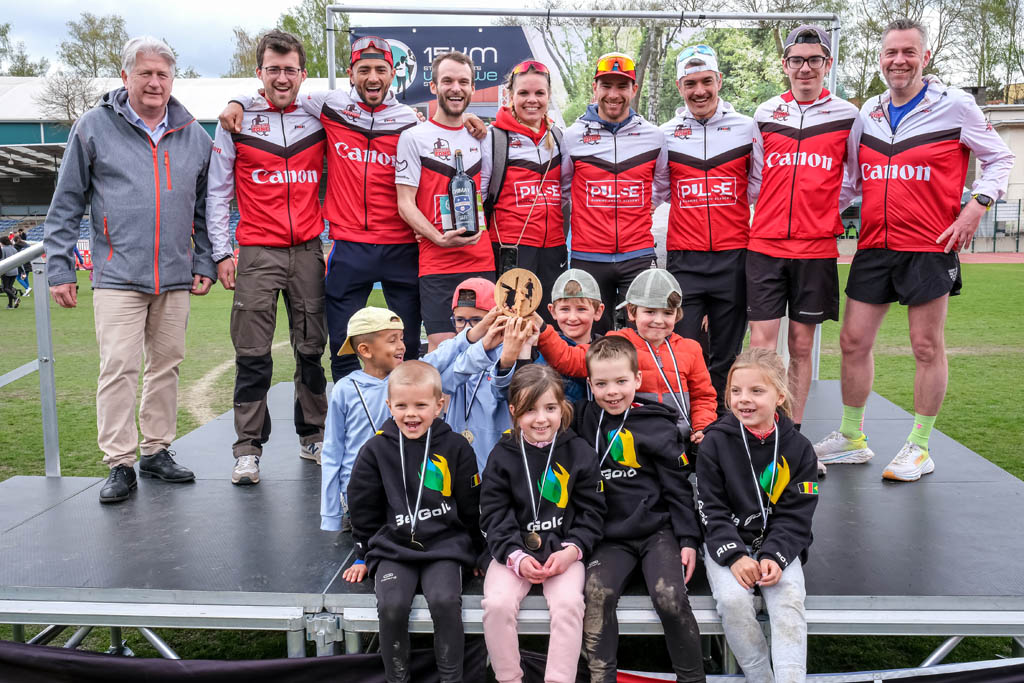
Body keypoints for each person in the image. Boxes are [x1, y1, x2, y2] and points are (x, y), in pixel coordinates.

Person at [814, 18, 1014, 481]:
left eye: (908, 52)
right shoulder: (869, 112)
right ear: (881, 59)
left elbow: (1000, 157)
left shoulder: (956, 105)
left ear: (925, 57)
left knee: (926, 347)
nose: (899, 61)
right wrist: (817, 217)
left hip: (930, 245)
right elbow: (852, 181)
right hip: (874, 244)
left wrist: (976, 206)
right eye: (891, 53)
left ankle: (920, 446)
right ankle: (852, 438)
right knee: (852, 342)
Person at [43, 36, 215, 504]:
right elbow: (66, 203)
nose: (155, 82)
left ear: (172, 79)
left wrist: (203, 260)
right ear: (125, 77)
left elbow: (205, 208)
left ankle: (156, 450)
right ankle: (119, 462)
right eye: (145, 73)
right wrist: (60, 268)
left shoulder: (193, 134)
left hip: (175, 276)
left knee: (167, 367)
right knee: (119, 367)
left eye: (162, 74)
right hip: (118, 275)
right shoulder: (93, 127)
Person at [220, 36, 423, 382]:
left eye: (380, 69)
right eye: (364, 70)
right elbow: (281, 92)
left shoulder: (410, 120)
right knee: (343, 348)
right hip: (349, 246)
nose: (372, 77)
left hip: (401, 246)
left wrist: (469, 122)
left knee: (409, 347)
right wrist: (237, 101)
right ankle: (348, 413)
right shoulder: (329, 104)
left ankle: (406, 412)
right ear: (350, 74)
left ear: (393, 74)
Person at [207, 30, 329, 485]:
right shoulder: (235, 122)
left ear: (303, 73)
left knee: (311, 351)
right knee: (253, 355)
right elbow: (217, 191)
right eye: (273, 69)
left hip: (309, 251)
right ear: (259, 72)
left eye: (290, 70)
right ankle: (247, 450)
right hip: (257, 253)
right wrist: (222, 251)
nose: (282, 78)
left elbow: (364, 104)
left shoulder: (318, 115)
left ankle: (313, 436)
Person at [747, 25, 859, 432]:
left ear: (827, 64)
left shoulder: (847, 115)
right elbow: (756, 179)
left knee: (800, 344)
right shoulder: (764, 113)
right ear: (785, 64)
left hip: (815, 249)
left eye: (814, 60)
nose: (805, 68)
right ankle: (758, 429)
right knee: (760, 344)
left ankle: (791, 429)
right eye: (797, 60)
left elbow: (854, 178)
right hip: (765, 245)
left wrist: (823, 209)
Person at [343, 360, 484, 683]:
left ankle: (452, 679)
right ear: (389, 405)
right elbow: (362, 505)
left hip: (444, 548)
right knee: (392, 606)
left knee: (445, 601)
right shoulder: (375, 450)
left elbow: (470, 504)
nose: (411, 414)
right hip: (394, 549)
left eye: (421, 405)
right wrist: (363, 554)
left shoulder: (456, 447)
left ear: (439, 405)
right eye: (402, 406)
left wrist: (478, 550)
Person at [575, 337, 705, 683]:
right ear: (590, 384)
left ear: (637, 379)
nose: (612, 392)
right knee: (596, 594)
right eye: (601, 383)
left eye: (621, 381)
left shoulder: (657, 425)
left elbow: (678, 487)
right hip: (608, 536)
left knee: (669, 596)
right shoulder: (582, 421)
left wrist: (689, 539)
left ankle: (692, 679)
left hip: (656, 532)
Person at [696, 348, 819, 683]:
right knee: (733, 601)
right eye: (735, 391)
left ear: (780, 396)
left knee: (789, 599)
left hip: (779, 547)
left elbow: (797, 515)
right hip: (728, 545)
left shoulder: (800, 448)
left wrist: (775, 556)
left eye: (756, 391)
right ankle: (760, 677)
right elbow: (710, 509)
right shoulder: (714, 443)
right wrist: (735, 556)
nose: (744, 399)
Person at [320, 306, 499, 533]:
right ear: (365, 350)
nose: (402, 346)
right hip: (363, 494)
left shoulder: (410, 379)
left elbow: (448, 359)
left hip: (408, 491)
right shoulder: (344, 390)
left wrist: (475, 336)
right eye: (392, 340)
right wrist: (331, 514)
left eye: (402, 338)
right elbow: (332, 452)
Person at [480, 363, 606, 683]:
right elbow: (494, 514)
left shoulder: (579, 452)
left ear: (562, 407)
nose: (541, 419)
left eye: (550, 408)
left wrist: (572, 550)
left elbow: (592, 513)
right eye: (529, 410)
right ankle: (509, 679)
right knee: (497, 604)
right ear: (513, 412)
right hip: (513, 553)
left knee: (569, 604)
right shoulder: (502, 455)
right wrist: (516, 557)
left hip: (562, 553)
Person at [658, 44, 754, 415]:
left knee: (727, 354)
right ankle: (686, 427)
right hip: (685, 259)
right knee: (684, 351)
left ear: (719, 81)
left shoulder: (747, 128)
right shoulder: (665, 134)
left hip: (734, 256)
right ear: (679, 87)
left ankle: (722, 427)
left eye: (706, 82)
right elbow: (655, 191)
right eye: (691, 83)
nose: (699, 91)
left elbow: (760, 186)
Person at [537, 268, 718, 449]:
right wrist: (542, 329)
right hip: (631, 440)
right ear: (632, 312)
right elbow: (570, 359)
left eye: (667, 313)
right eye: (650, 312)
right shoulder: (618, 341)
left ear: (677, 315)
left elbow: (703, 396)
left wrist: (702, 426)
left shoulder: (691, 349)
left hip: (681, 442)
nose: (659, 320)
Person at [561, 52, 668, 333]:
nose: (613, 94)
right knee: (591, 336)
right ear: (594, 88)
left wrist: (648, 204)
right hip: (588, 255)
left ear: (634, 89)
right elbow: (562, 188)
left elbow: (663, 182)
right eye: (606, 86)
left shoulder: (654, 136)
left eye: (622, 86)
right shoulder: (572, 136)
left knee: (645, 335)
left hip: (638, 254)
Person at [396, 51, 495, 351]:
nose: (456, 88)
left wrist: (471, 121)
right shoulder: (414, 137)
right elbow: (405, 203)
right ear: (433, 86)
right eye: (448, 81)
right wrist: (437, 237)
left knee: (484, 351)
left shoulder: (483, 136)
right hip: (437, 263)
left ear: (473, 88)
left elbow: (488, 194)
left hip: (481, 259)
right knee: (443, 354)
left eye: (463, 82)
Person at [481, 60, 566, 316]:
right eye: (523, 93)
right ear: (510, 96)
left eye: (539, 93)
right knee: (513, 321)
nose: (532, 100)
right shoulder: (494, 137)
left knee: (551, 323)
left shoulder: (559, 136)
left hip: (553, 247)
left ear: (548, 96)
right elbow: (480, 196)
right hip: (511, 247)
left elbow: (566, 190)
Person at [442, 277, 535, 471]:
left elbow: (504, 393)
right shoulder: (452, 349)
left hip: (495, 452)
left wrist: (506, 362)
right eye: (460, 320)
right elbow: (439, 381)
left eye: (477, 320)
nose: (469, 328)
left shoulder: (510, 350)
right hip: (457, 453)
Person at [539, 268, 605, 403]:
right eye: (565, 309)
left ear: (598, 311)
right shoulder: (542, 350)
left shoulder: (607, 349)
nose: (572, 317)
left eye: (581, 309)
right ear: (553, 311)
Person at [1, 236, 20, 309]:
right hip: (15, 271)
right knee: (9, 288)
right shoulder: (14, 249)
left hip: (6, 271)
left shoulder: (3, 249)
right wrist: (23, 272)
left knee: (5, 288)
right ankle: (10, 305)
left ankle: (15, 298)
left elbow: (2, 260)